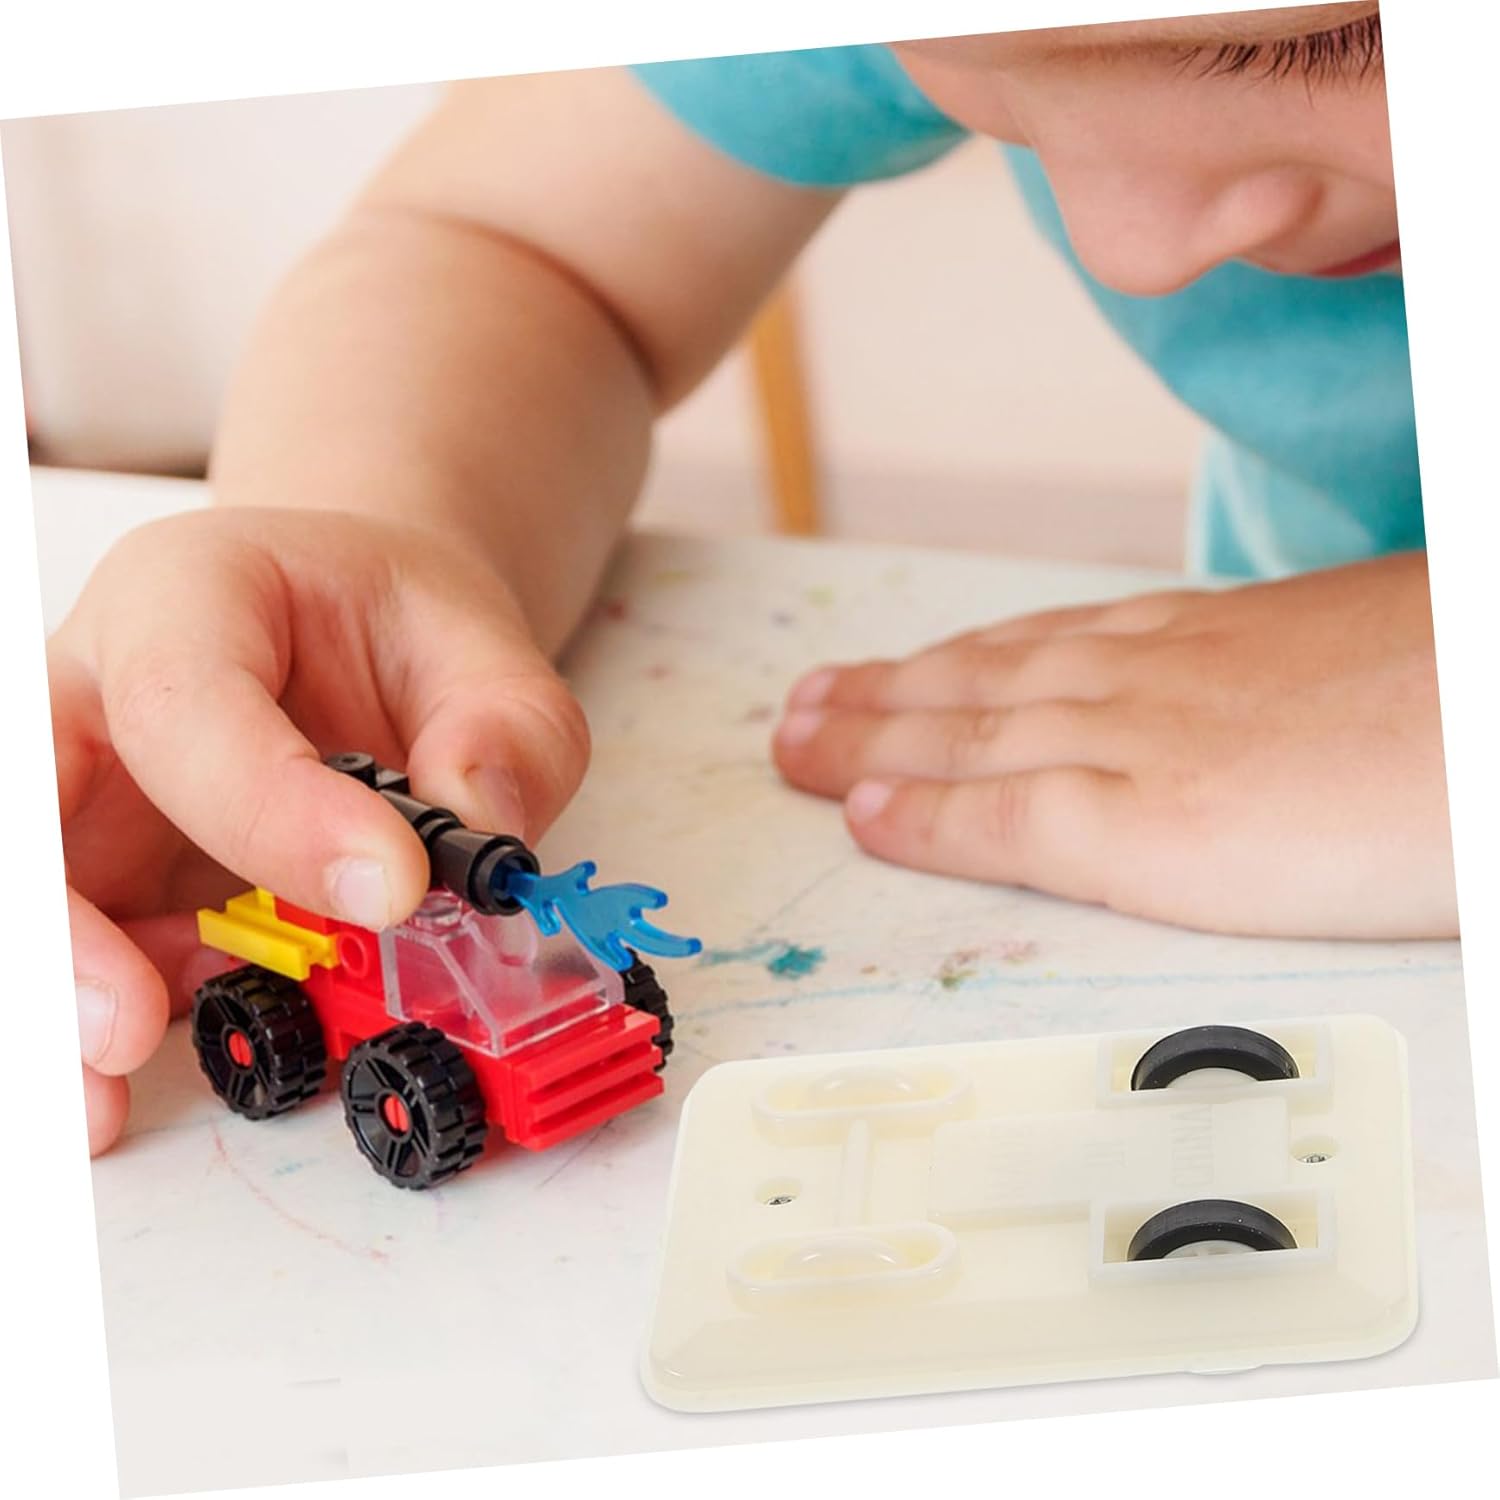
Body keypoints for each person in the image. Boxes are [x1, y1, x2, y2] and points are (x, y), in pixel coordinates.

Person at [50, 3, 1451, 1155]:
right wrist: (364, 558)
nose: (1129, 249)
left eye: (1345, 46)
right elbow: (513, 248)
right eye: (980, 74)